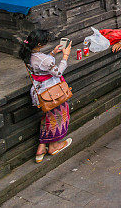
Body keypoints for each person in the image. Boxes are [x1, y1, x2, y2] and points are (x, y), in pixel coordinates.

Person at [19, 29, 73, 163]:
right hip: (51, 92)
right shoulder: (42, 59)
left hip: (40, 92)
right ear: (38, 44)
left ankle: (41, 147)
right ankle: (54, 146)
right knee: (58, 116)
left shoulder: (28, 54)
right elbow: (58, 72)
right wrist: (65, 56)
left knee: (47, 117)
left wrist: (53, 53)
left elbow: (41, 64)